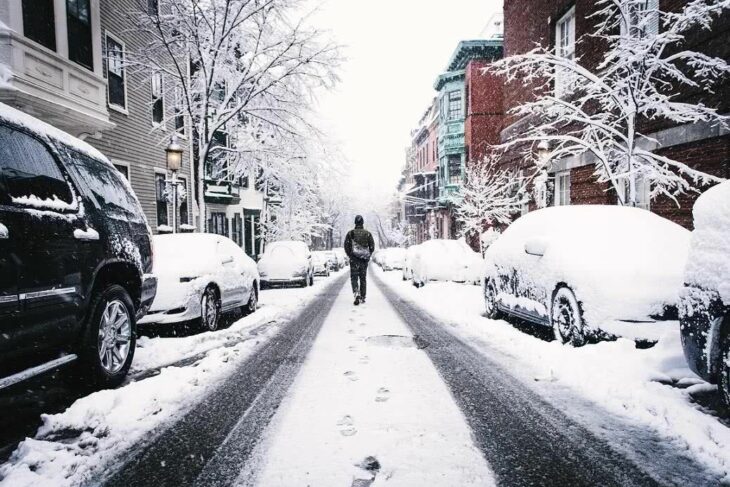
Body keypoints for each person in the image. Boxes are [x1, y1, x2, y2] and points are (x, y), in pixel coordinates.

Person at [344, 215, 375, 305]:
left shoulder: (350, 234)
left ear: (355, 223)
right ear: (362, 223)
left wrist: (350, 255)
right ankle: (363, 296)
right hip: (363, 260)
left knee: (354, 278)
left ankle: (356, 293)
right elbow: (372, 247)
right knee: (363, 278)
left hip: (354, 260)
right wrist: (367, 255)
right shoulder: (367, 234)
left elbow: (346, 246)